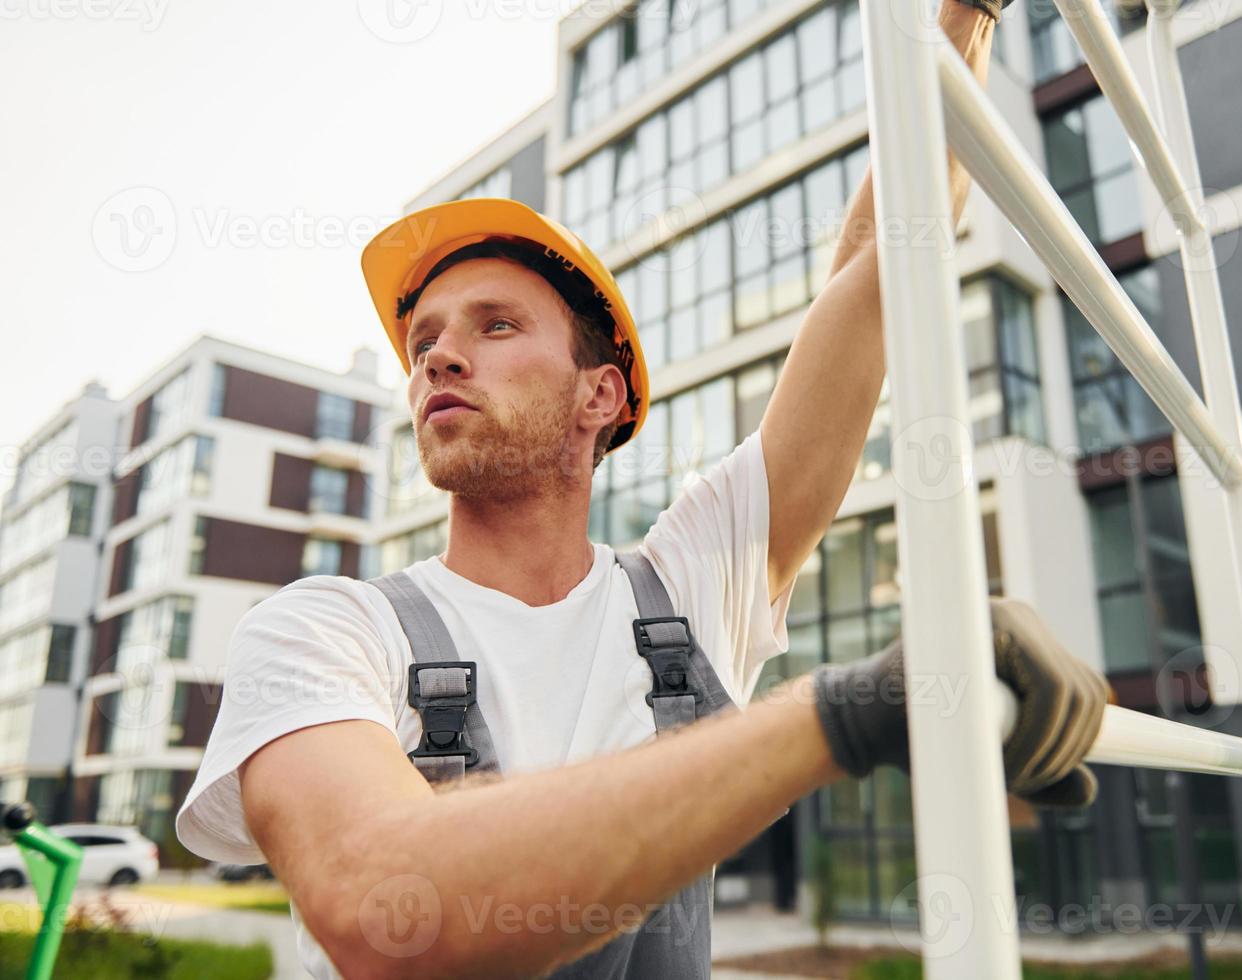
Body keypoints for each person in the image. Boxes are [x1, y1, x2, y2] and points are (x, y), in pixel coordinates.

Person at [175, 0, 1107, 975]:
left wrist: (966, 18)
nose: (439, 355)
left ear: (599, 392)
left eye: (494, 325)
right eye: (424, 341)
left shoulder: (691, 587)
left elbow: (883, 268)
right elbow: (375, 902)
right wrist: (839, 714)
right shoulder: (325, 630)